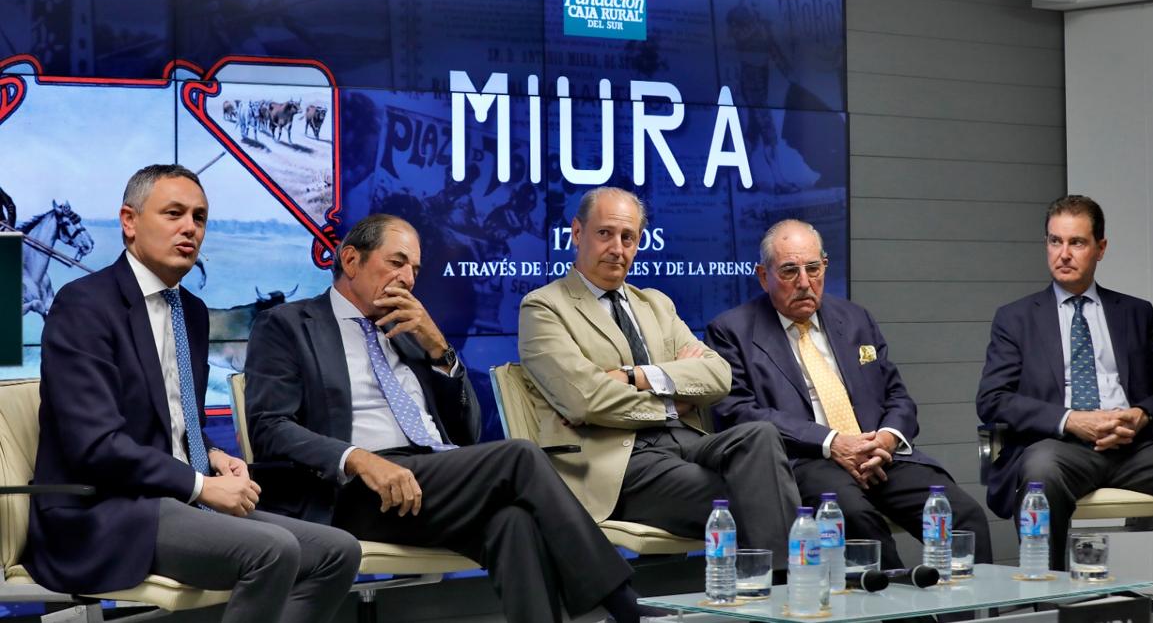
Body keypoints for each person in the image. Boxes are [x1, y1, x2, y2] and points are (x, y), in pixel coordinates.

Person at [244, 213, 648, 623]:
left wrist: (439, 348)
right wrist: (359, 458)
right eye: (397, 262)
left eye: (415, 269)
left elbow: (465, 432)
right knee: (520, 457)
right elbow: (270, 428)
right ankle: (625, 607)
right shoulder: (289, 325)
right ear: (351, 261)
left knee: (514, 522)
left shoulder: (410, 331)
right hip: (355, 489)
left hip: (433, 475)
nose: (408, 278)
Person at [27, 164, 360, 622]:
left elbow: (176, 421)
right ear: (129, 221)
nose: (190, 228)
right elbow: (96, 446)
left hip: (173, 498)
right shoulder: (83, 306)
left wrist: (210, 458)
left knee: (338, 551)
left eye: (199, 218)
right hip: (100, 511)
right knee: (273, 550)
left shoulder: (194, 313)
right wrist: (203, 484)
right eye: (174, 213)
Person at [977, 194, 1153, 623]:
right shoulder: (1016, 318)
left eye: (1077, 243)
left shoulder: (1135, 313)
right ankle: (1052, 608)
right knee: (1040, 472)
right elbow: (993, 399)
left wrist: (1139, 415)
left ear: (1101, 248)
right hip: (1061, 447)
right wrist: (1073, 420)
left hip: (1136, 448)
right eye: (1054, 241)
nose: (1063, 254)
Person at [518, 187, 800, 569]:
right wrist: (673, 401)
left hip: (686, 442)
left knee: (761, 436)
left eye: (628, 237)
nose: (617, 248)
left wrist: (638, 376)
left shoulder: (655, 303)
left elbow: (718, 375)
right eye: (605, 234)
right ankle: (785, 594)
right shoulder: (544, 307)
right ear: (577, 233)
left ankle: (774, 594)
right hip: (620, 464)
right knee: (754, 496)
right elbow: (585, 400)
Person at [706, 219, 992, 570]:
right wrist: (831, 442)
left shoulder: (855, 318)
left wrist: (887, 439)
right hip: (809, 462)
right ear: (764, 277)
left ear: (825, 266)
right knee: (858, 522)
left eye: (814, 268)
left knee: (964, 518)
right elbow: (739, 413)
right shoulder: (731, 330)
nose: (805, 283)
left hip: (879, 456)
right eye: (789, 271)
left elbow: (898, 397)